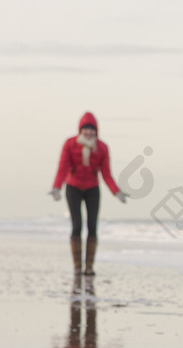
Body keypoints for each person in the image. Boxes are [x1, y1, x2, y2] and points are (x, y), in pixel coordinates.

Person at [50, 112, 128, 276]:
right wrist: (57, 187)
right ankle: (78, 266)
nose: (88, 132)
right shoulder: (70, 144)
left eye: (91, 130)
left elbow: (106, 173)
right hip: (73, 188)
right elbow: (62, 168)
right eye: (85, 129)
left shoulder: (102, 147)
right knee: (76, 226)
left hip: (92, 188)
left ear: (96, 131)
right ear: (80, 130)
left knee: (92, 227)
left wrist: (117, 192)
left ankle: (89, 266)